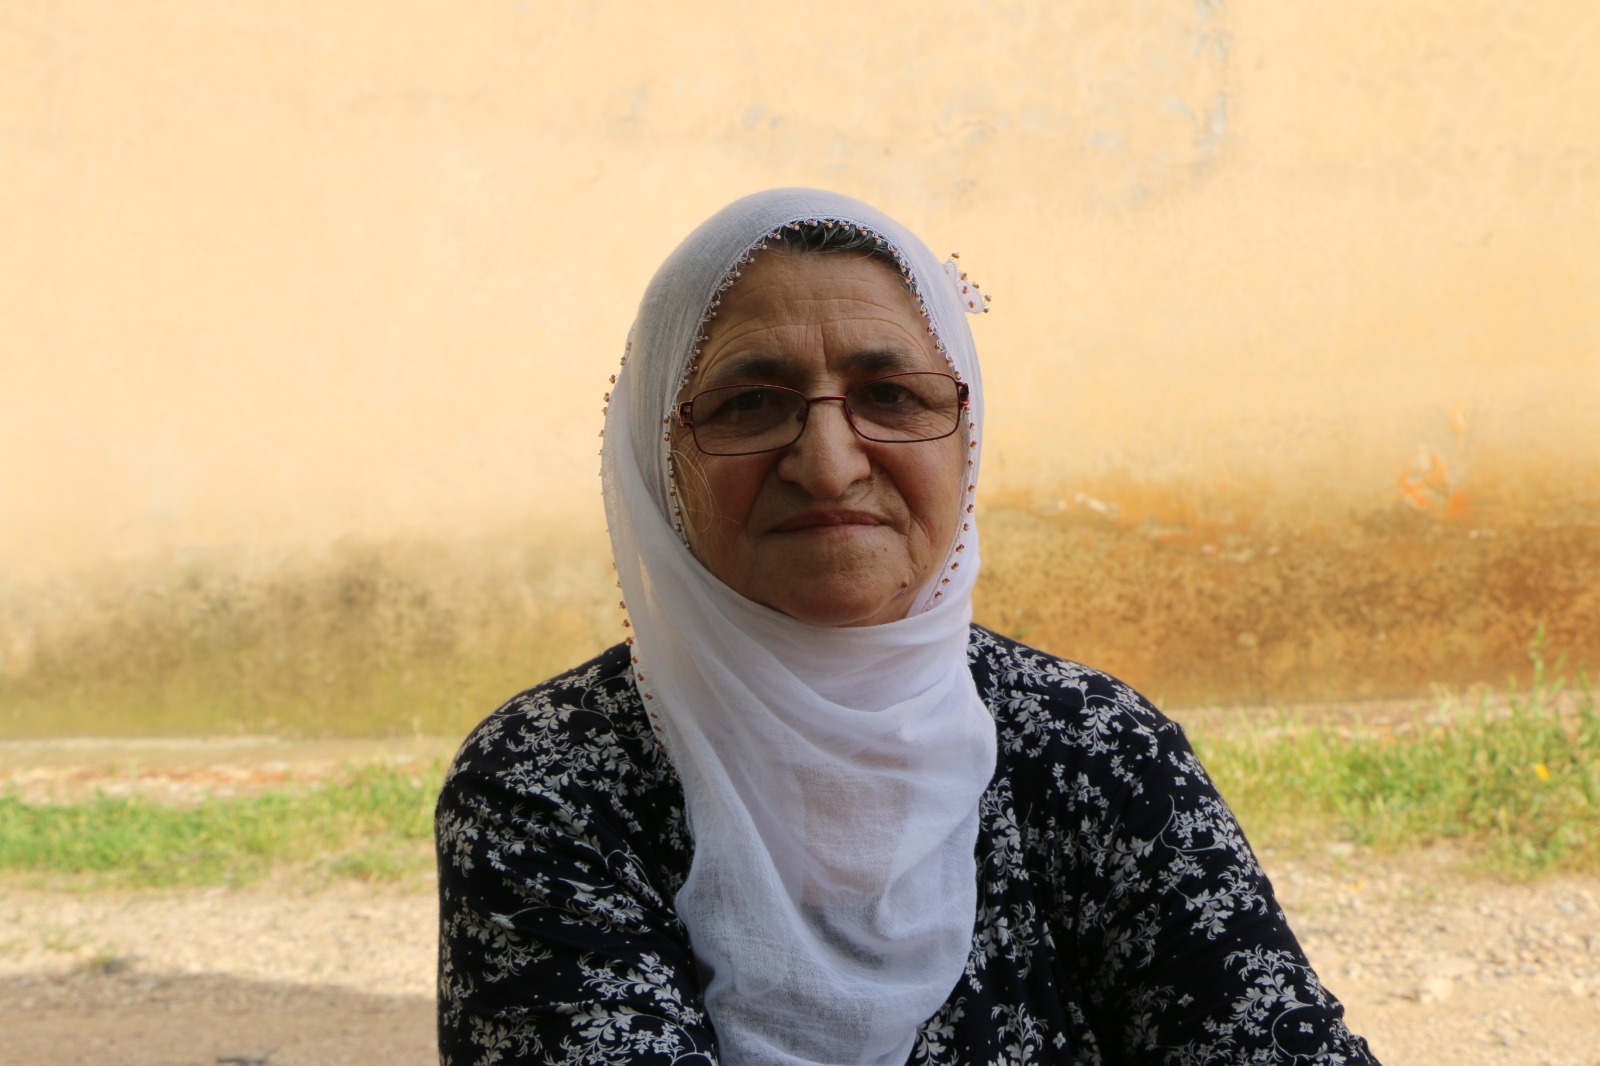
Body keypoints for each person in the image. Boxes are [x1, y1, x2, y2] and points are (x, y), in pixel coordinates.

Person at [435, 188, 1381, 1066]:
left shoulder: (1093, 747)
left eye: (891, 395)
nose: (830, 464)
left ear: (966, 436)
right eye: (750, 403)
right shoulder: (550, 782)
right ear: (659, 450)